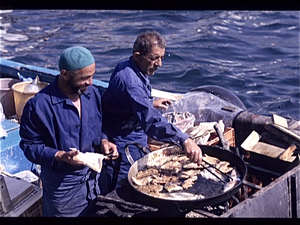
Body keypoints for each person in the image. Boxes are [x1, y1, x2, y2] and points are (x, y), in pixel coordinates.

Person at [19, 46, 118, 217]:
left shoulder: (92, 94)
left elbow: (100, 126)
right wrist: (60, 155)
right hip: (63, 187)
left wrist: (104, 141)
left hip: (94, 179)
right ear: (65, 75)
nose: (91, 82)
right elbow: (29, 145)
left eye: (92, 76)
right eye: (85, 78)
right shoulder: (39, 106)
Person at [101, 31, 202, 191]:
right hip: (123, 140)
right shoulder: (131, 82)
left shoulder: (127, 66)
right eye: (154, 58)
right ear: (137, 56)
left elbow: (128, 101)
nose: (160, 64)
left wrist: (150, 103)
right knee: (127, 188)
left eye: (162, 57)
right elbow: (151, 122)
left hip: (133, 130)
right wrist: (184, 140)